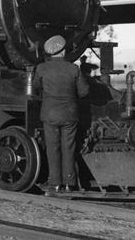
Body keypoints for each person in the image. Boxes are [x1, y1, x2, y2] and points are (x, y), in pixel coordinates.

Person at [34, 35, 89, 195]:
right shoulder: (73, 69)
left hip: (50, 114)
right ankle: (69, 184)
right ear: (63, 51)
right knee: (69, 148)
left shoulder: (42, 68)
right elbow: (84, 92)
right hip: (69, 115)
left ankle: (55, 184)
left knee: (53, 149)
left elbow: (37, 87)